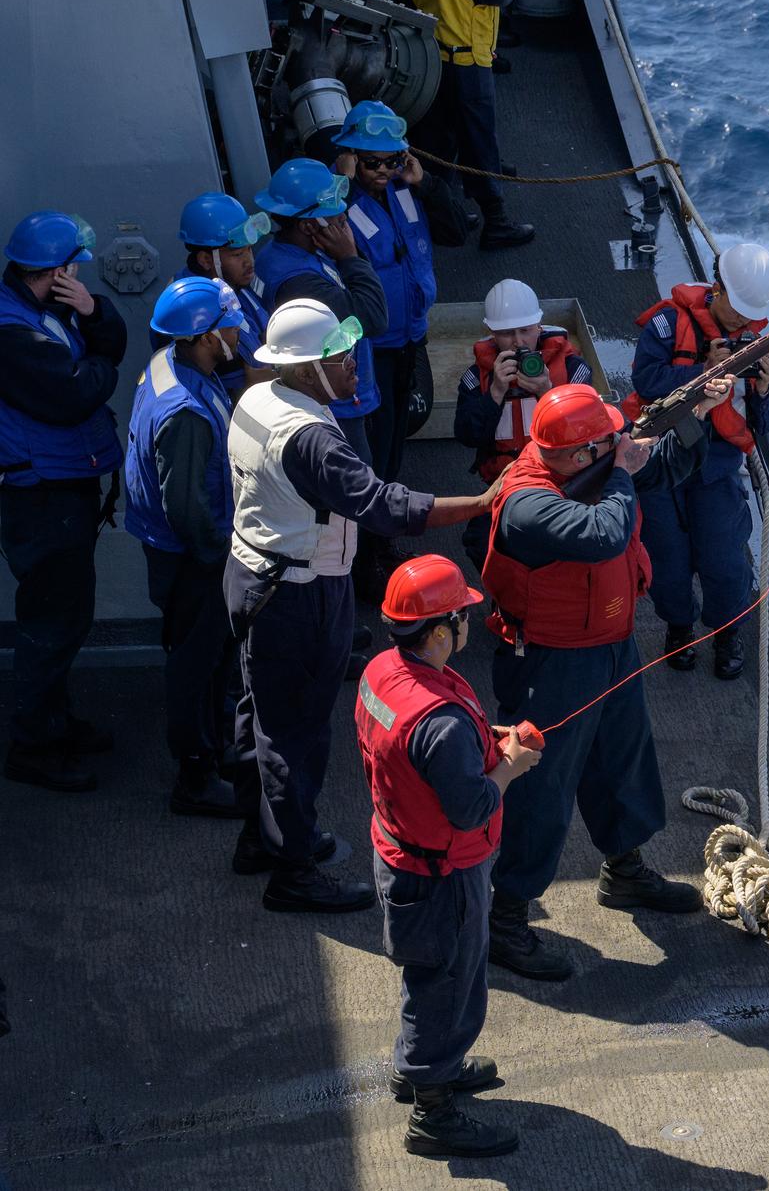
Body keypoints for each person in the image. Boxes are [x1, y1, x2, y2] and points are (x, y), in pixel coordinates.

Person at [227, 299, 498, 913]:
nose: (355, 366)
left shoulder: (254, 400)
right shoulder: (313, 440)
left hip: (250, 573)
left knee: (258, 712)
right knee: (295, 735)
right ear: (304, 371)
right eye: (340, 359)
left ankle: (260, 837)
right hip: (297, 593)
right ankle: (293, 870)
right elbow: (386, 508)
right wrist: (480, 503)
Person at [480, 382, 727, 980]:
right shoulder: (525, 502)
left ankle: (624, 870)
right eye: (606, 440)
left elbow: (662, 471)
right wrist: (620, 468)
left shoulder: (594, 469)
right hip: (552, 660)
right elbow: (603, 534)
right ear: (576, 455)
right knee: (540, 787)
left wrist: (694, 418)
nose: (620, 442)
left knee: (624, 757)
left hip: (608, 645)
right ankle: (506, 920)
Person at [357, 554, 538, 1159]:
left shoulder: (383, 671)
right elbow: (472, 806)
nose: (470, 619)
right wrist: (511, 766)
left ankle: (422, 1068)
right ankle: (433, 1113)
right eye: (462, 614)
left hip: (402, 854)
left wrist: (486, 741)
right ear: (439, 633)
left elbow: (419, 755)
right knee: (449, 984)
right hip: (442, 876)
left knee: (428, 976)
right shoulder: (441, 725)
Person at [0, 211, 126, 794]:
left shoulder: (44, 309)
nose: (77, 271)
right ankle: (34, 747)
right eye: (70, 265)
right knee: (50, 623)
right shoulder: (12, 332)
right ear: (51, 270)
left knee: (65, 617)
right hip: (42, 497)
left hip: (63, 486)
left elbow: (109, 343)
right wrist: (101, 368)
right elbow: (74, 393)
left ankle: (54, 722)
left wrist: (92, 310)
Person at [123, 278, 251, 818]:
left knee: (204, 659)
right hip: (193, 558)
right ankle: (195, 776)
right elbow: (188, 507)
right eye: (229, 327)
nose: (238, 335)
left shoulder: (171, 364)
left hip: (178, 551)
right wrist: (223, 558)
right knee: (195, 665)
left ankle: (215, 747)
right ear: (203, 336)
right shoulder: (185, 412)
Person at [627, 242, 769, 680]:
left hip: (714, 465)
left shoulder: (753, 342)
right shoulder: (667, 322)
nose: (742, 318)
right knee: (666, 555)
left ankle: (728, 630)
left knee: (724, 557)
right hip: (660, 457)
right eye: (738, 306)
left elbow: (764, 422)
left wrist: (764, 389)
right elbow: (646, 379)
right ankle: (679, 627)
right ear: (717, 288)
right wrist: (702, 371)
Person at [406, 0, 535, 250]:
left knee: (440, 143)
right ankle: (496, 223)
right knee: (480, 145)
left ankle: (442, 214)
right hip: (467, 64)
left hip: (434, 59)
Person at [335, 100, 459, 486]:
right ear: (352, 158)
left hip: (411, 336)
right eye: (373, 163)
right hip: (372, 347)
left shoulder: (406, 190)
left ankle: (384, 510)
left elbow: (456, 232)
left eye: (394, 160)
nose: (385, 171)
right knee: (373, 441)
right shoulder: (334, 203)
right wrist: (340, 186)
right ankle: (371, 534)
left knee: (400, 428)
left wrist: (426, 184)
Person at [252, 158, 387, 467]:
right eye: (333, 215)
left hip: (337, 399)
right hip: (332, 407)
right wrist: (350, 256)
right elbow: (373, 318)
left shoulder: (294, 254)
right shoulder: (296, 280)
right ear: (308, 225)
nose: (343, 218)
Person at [453, 278, 590, 569]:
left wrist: (547, 392)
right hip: (504, 481)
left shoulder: (573, 370)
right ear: (491, 334)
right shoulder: (476, 379)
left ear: (539, 327)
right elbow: (467, 435)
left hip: (562, 482)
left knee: (564, 550)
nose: (518, 342)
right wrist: (495, 395)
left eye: (525, 331)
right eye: (506, 334)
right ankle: (507, 600)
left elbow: (588, 434)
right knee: (480, 543)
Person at [176, 192, 273, 399]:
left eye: (249, 250)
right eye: (238, 254)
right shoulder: (192, 309)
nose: (249, 261)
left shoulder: (236, 283)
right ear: (205, 260)